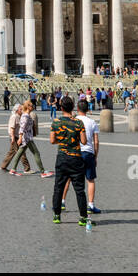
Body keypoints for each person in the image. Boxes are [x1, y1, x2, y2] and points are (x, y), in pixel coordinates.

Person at [48, 95, 90, 226]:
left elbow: (52, 140)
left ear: (61, 108)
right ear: (73, 108)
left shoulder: (56, 122)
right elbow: (84, 141)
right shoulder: (78, 123)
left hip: (62, 157)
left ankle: (56, 215)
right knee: (79, 189)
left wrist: (63, 140)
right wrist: (74, 139)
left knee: (58, 187)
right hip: (76, 158)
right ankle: (83, 217)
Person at [75, 98, 100, 214]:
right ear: (88, 109)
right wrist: (95, 156)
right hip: (89, 152)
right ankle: (91, 205)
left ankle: (63, 202)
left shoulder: (73, 121)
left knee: (69, 178)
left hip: (75, 153)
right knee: (90, 180)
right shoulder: (92, 122)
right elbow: (96, 141)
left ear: (77, 108)